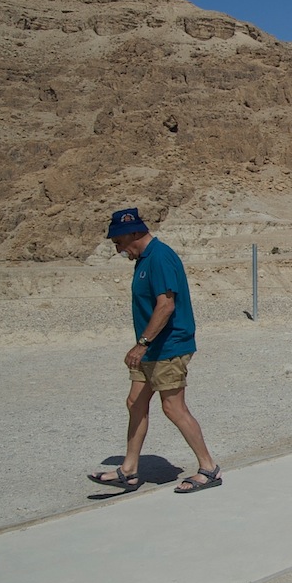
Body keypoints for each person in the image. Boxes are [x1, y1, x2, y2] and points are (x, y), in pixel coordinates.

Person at [87, 208, 221, 494]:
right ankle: (129, 470)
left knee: (173, 407)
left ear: (134, 233)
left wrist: (142, 343)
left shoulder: (159, 257)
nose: (119, 250)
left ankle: (209, 468)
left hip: (168, 345)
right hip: (152, 347)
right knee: (135, 403)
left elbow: (166, 305)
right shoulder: (145, 259)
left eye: (119, 243)